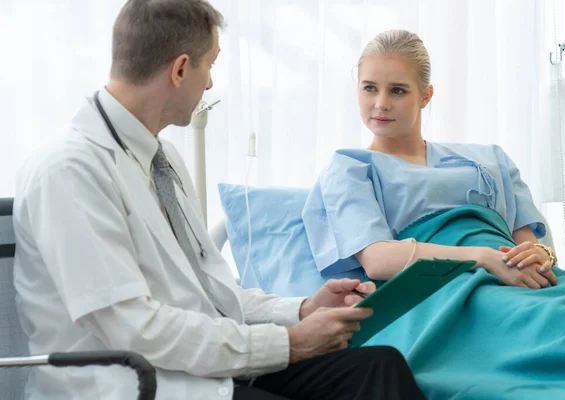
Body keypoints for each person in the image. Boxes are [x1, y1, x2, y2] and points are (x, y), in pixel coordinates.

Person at [12, 4, 426, 399]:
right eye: (209, 65)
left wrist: (302, 309)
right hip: (134, 386)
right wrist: (288, 344)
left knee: (378, 368)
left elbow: (211, 292)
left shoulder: (161, 158)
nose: (209, 83)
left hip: (200, 371)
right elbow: (132, 329)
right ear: (179, 69)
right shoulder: (69, 172)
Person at [302, 30, 565, 399]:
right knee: (556, 337)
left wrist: (540, 255)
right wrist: (482, 259)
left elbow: (528, 240)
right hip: (440, 295)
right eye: (369, 88)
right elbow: (377, 260)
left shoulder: (489, 159)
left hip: (520, 278)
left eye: (398, 90)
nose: (380, 103)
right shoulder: (350, 168)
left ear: (425, 95)